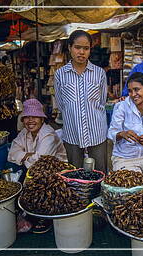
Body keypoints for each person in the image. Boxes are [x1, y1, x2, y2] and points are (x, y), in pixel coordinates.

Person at [54, 30, 108, 172]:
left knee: (99, 171)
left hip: (96, 131)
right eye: (78, 47)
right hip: (72, 131)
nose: (82, 52)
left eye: (86, 48)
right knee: (74, 171)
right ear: (70, 47)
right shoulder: (60, 74)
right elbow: (60, 103)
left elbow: (102, 101)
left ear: (90, 49)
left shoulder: (99, 73)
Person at [8, 98, 67, 171]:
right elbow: (12, 154)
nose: (30, 120)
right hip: (34, 171)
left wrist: (23, 156)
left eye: (35, 117)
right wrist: (33, 155)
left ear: (42, 119)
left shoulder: (49, 135)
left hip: (56, 172)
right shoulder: (24, 132)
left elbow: (39, 162)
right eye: (27, 117)